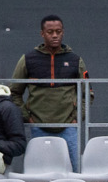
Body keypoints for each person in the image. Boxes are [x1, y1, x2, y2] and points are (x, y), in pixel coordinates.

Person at [10, 14, 91, 172]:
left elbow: (88, 92)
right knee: (40, 172)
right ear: (42, 33)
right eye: (50, 32)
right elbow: (14, 92)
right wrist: (29, 117)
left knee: (75, 172)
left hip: (68, 126)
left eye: (58, 31)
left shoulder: (75, 60)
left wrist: (77, 117)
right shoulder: (28, 59)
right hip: (39, 126)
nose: (55, 35)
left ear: (63, 32)